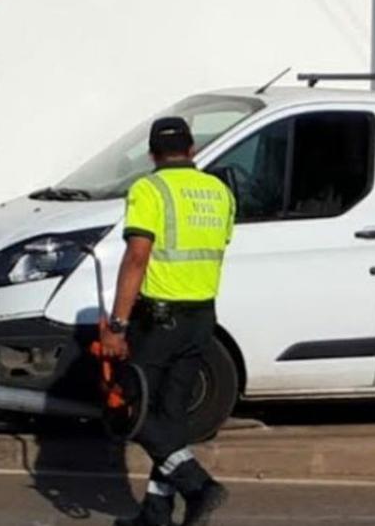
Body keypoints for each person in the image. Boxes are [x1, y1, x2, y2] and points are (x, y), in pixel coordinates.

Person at [99, 116, 236, 526]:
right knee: (171, 416)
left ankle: (198, 485)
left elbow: (137, 257)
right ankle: (156, 513)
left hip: (160, 319)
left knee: (133, 412)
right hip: (202, 318)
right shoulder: (220, 192)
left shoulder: (150, 188)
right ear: (192, 150)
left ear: (152, 154)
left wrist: (118, 326)